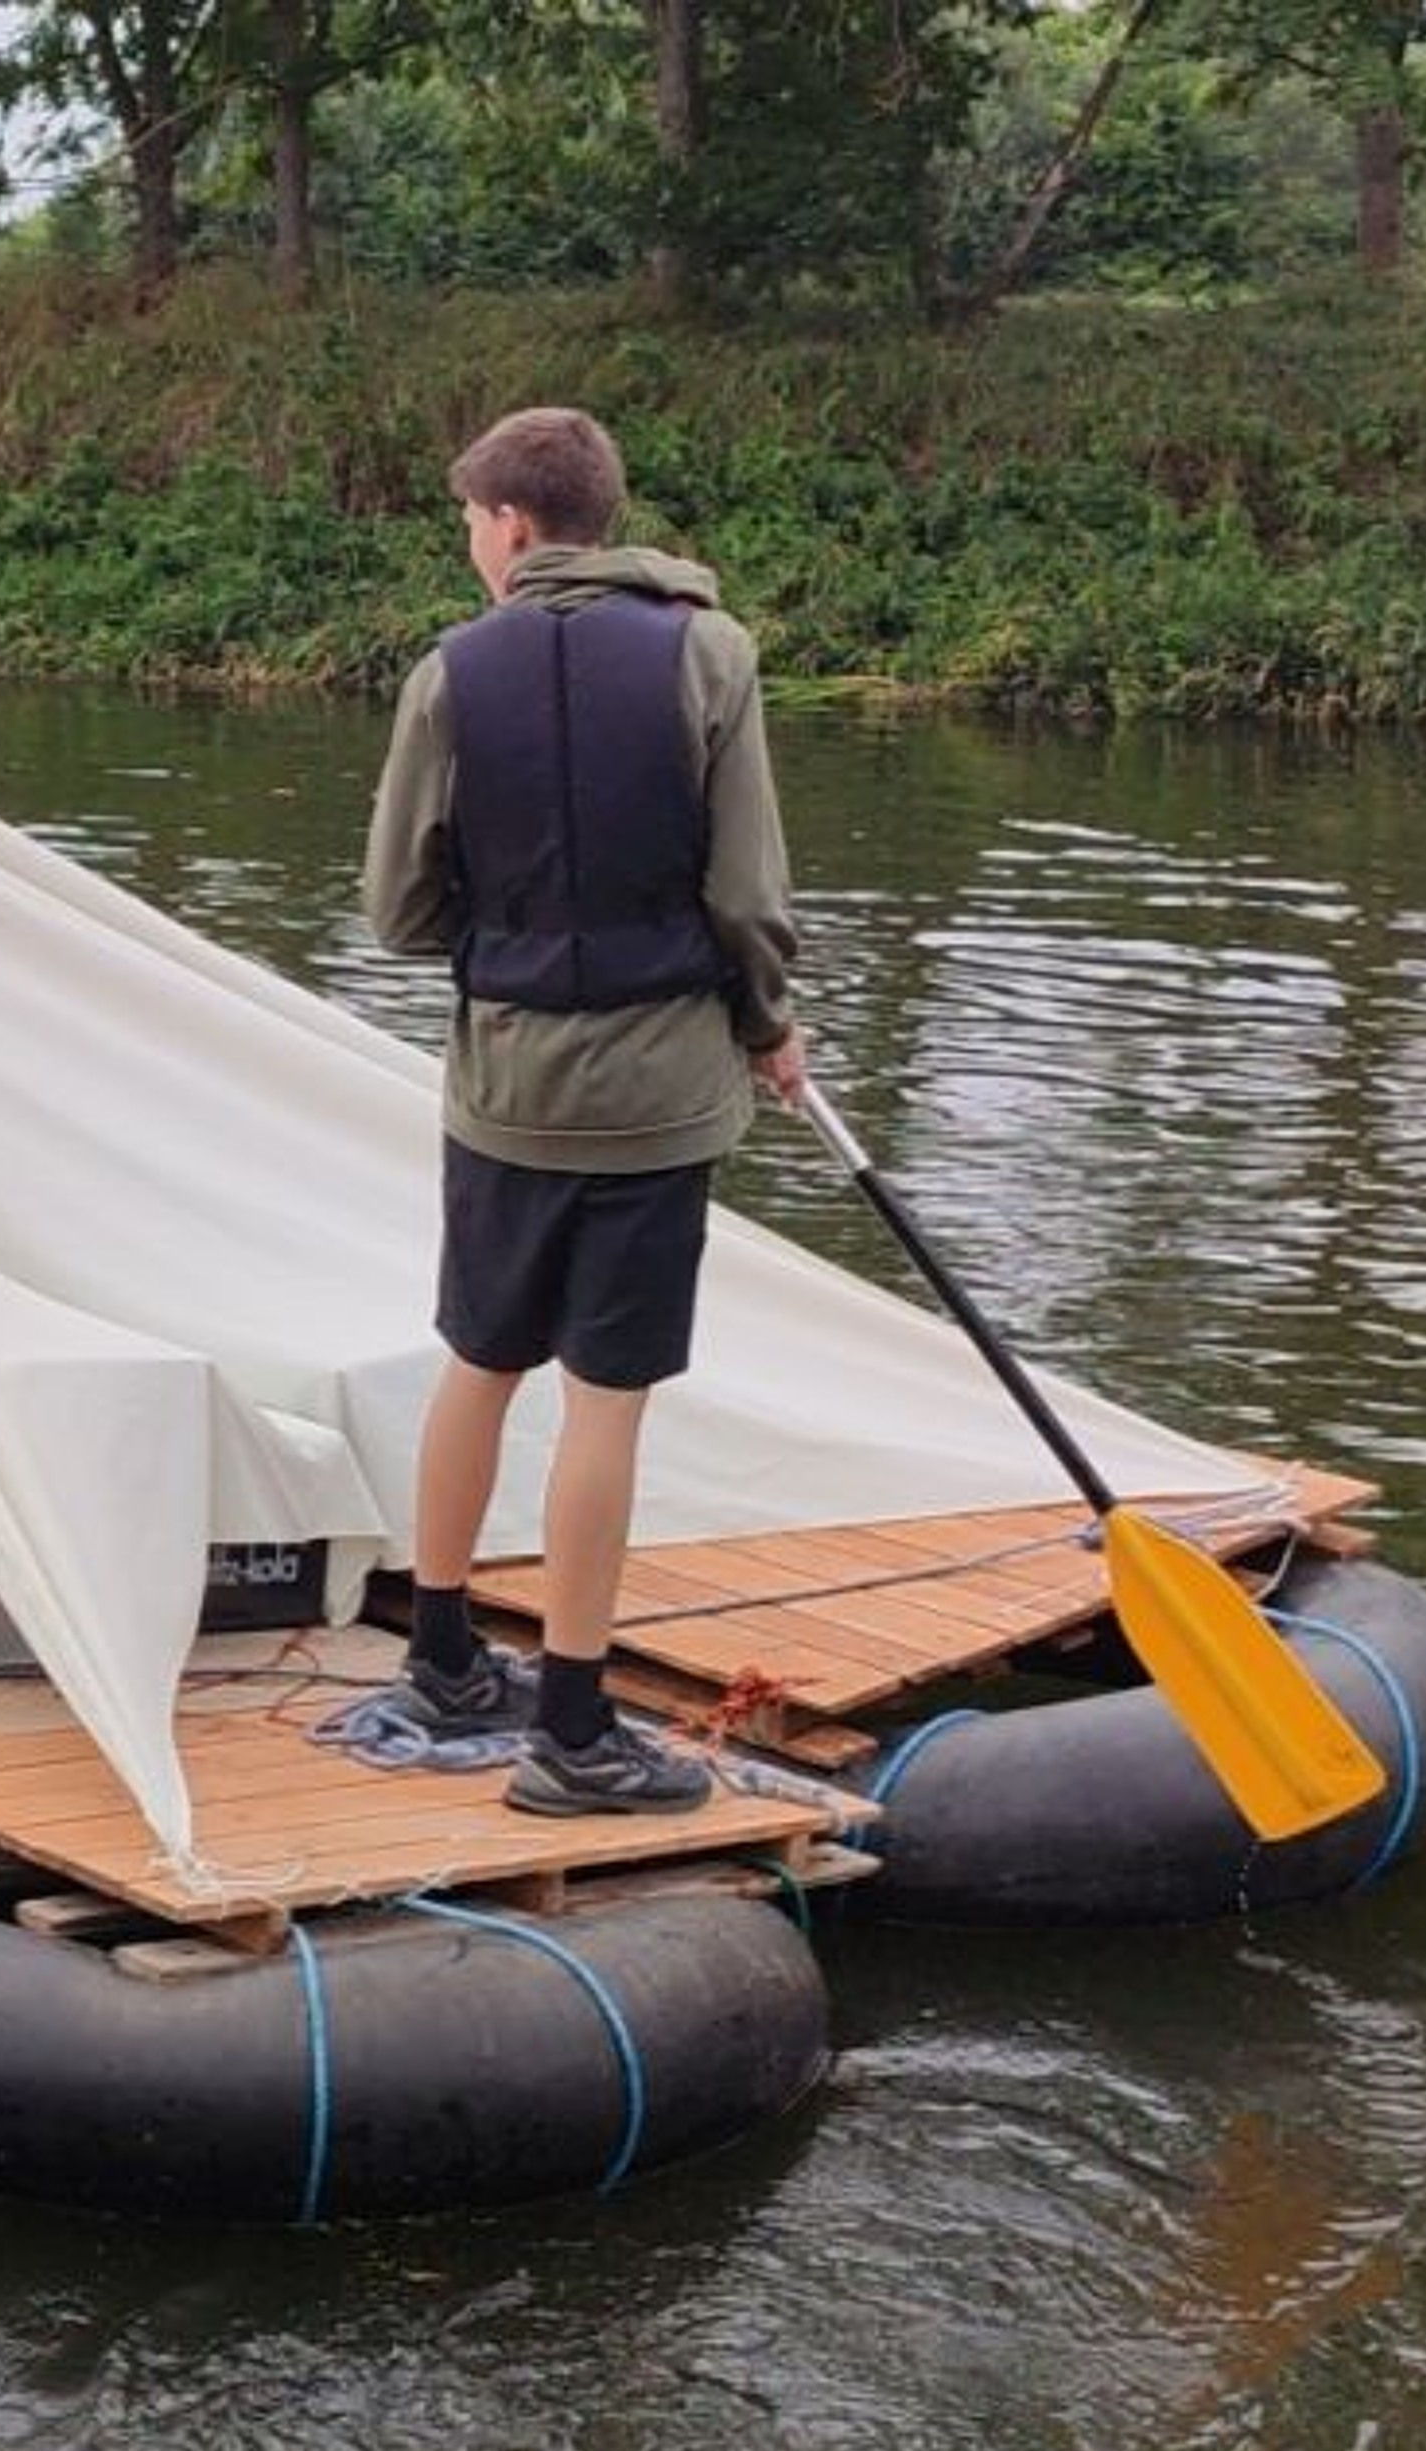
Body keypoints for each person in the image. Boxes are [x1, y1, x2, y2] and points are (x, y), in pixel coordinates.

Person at [362, 405, 806, 1816]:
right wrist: (769, 1025)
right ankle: (571, 1733)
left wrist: (504, 949)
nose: (471, 551)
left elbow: (398, 908)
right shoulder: (710, 654)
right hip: (660, 1100)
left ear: (508, 526)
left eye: (469, 528)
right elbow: (747, 896)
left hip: (501, 1090)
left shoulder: (450, 673)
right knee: (604, 1406)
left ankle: (439, 1662)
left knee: (479, 1361)